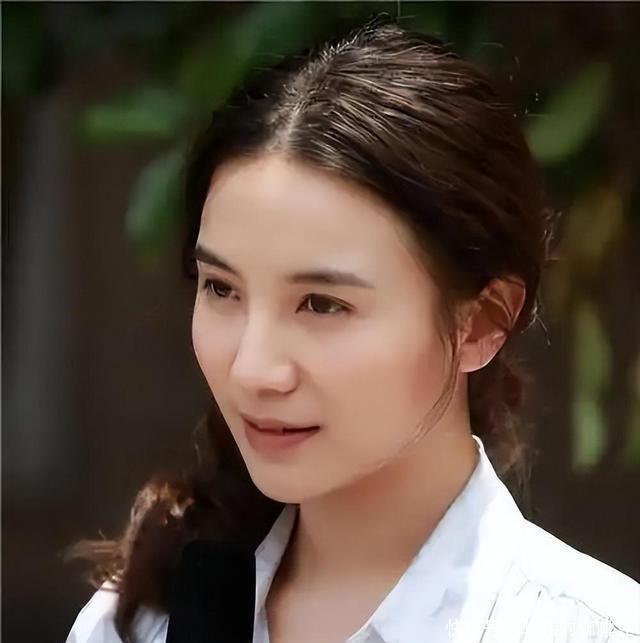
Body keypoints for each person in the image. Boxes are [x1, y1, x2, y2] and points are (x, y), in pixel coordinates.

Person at [65, 16, 640, 643]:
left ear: (481, 322)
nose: (253, 370)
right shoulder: (138, 623)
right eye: (222, 289)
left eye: (322, 304)